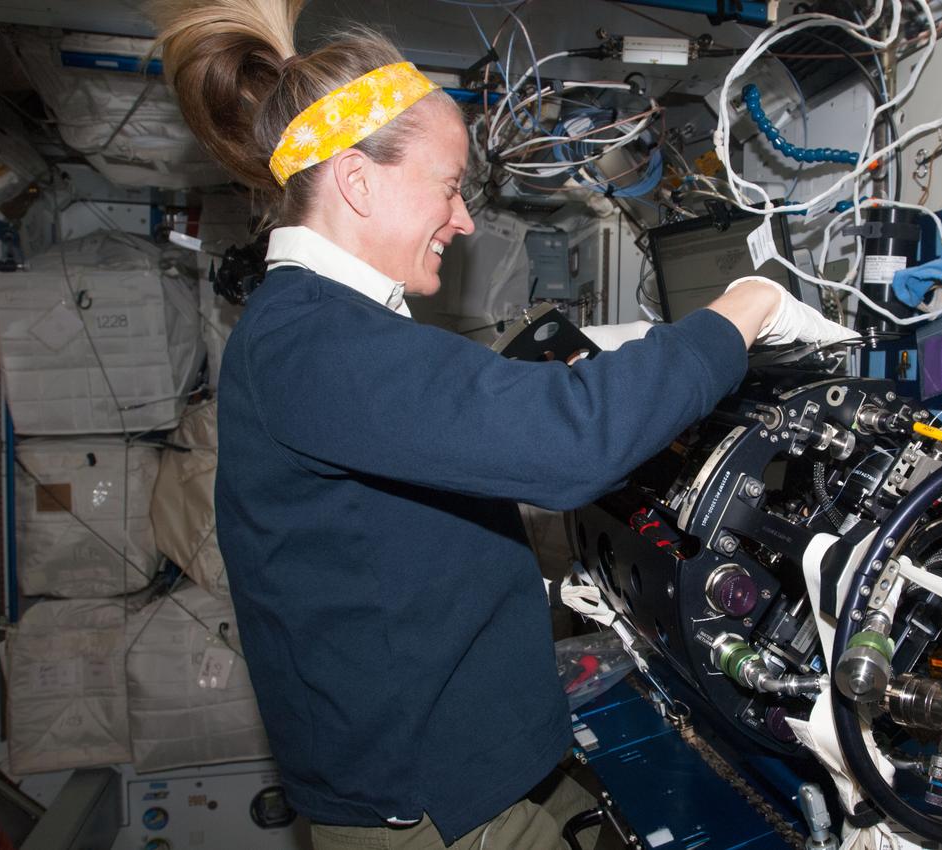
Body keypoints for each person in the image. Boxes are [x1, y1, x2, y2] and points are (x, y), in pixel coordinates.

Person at [147, 1, 855, 848]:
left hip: (478, 755)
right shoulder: (314, 340)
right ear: (358, 180)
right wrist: (744, 310)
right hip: (433, 801)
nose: (465, 221)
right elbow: (570, 446)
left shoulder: (328, 331)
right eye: (448, 188)